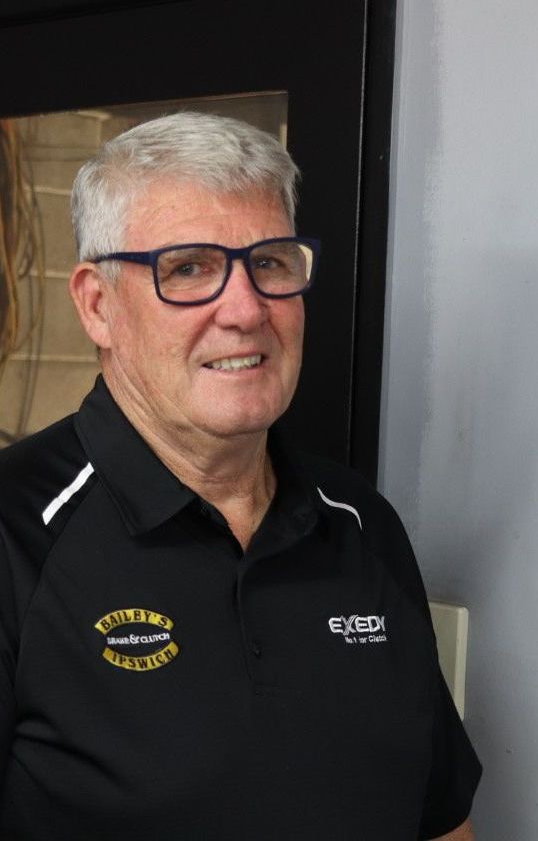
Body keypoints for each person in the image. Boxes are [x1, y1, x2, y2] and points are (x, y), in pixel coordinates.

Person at [0, 112, 480, 838]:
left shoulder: (358, 522)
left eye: (271, 262)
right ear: (98, 305)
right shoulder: (14, 534)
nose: (247, 309)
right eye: (188, 267)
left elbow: (440, 821)